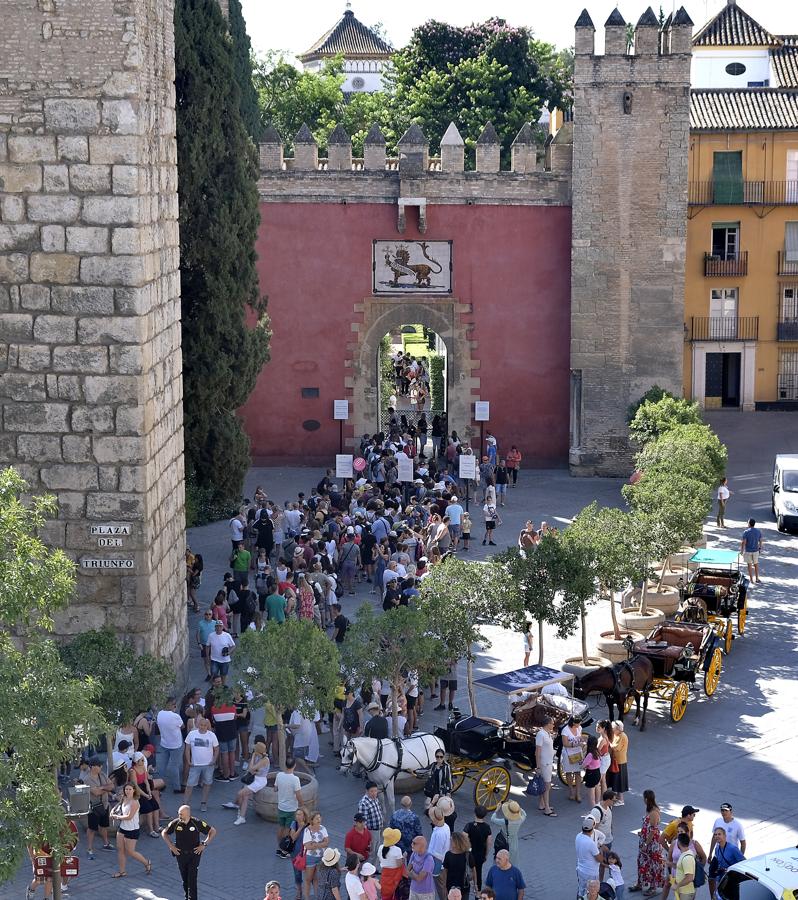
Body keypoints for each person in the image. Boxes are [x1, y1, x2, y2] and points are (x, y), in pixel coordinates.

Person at [161, 804, 216, 900]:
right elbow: (164, 833)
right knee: (185, 879)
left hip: (194, 855)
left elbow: (213, 831)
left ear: (188, 814)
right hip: (180, 854)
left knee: (192, 879)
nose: (179, 816)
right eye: (179, 814)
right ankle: (187, 897)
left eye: (181, 814)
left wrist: (204, 844)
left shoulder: (196, 823)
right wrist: (171, 846)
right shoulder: (176, 823)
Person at [221, 736, 270, 825]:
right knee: (245, 797)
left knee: (241, 793)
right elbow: (249, 769)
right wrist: (253, 758)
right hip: (253, 778)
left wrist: (254, 756)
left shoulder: (265, 759)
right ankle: (242, 817)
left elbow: (251, 768)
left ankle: (239, 812)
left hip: (260, 781)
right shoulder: (257, 756)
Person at [110, 782, 152, 878]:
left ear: (134, 790)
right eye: (126, 789)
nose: (128, 791)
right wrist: (113, 811)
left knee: (130, 851)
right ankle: (122, 872)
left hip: (132, 830)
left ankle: (146, 862)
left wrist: (116, 817)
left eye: (130, 789)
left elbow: (129, 817)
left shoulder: (135, 802)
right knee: (120, 849)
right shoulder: (124, 798)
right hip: (122, 828)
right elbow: (118, 805)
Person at [628, 789, 665, 895]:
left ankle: (653, 887)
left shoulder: (654, 812)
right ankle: (640, 883)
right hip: (645, 840)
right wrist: (642, 832)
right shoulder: (649, 809)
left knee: (653, 865)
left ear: (646, 799)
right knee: (642, 862)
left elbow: (653, 830)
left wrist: (646, 844)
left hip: (651, 844)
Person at [80, 758, 115, 858]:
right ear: (93, 767)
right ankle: (89, 849)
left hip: (104, 805)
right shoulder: (87, 779)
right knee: (92, 829)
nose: (101, 767)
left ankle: (106, 844)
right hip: (93, 807)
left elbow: (112, 786)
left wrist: (101, 788)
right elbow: (96, 793)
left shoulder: (103, 774)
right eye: (99, 765)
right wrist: (105, 788)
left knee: (104, 826)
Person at [183, 717, 219, 812]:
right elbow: (187, 748)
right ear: (198, 725)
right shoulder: (192, 734)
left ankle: (204, 803)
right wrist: (188, 760)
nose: (203, 727)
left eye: (205, 725)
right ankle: (185, 804)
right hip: (195, 765)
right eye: (201, 725)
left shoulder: (212, 735)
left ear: (207, 726)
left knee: (207, 784)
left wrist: (214, 760)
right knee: (190, 784)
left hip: (208, 765)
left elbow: (216, 749)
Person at [276, 758, 304, 855]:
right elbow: (298, 794)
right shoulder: (295, 779)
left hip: (280, 807)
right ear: (294, 766)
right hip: (291, 809)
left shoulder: (279, 775)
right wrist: (303, 805)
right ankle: (284, 850)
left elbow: (275, 788)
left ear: (285, 765)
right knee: (287, 829)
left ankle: (279, 847)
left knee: (280, 827)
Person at [708, 826, 744, 900]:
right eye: (715, 835)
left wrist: (731, 870)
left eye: (719, 834)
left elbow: (743, 862)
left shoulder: (733, 848)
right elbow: (720, 863)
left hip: (733, 880)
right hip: (722, 879)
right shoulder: (717, 848)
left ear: (724, 835)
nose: (717, 836)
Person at [575, 816, 606, 900]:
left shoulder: (578, 836)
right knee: (591, 893)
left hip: (580, 869)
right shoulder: (590, 843)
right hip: (591, 872)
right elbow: (599, 859)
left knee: (581, 890)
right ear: (592, 830)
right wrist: (601, 850)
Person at [303, 811, 330, 900]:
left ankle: (317, 897)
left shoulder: (323, 828)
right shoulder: (307, 830)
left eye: (320, 817)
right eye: (317, 818)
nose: (319, 820)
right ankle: (307, 898)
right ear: (312, 820)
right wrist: (321, 844)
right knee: (308, 879)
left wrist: (315, 844)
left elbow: (327, 842)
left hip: (321, 858)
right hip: (310, 858)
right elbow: (307, 846)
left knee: (317, 879)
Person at [533, 716, 557, 816]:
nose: (553, 725)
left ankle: (542, 804)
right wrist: (538, 766)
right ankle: (547, 808)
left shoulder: (547, 733)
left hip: (548, 762)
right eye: (552, 723)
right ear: (548, 724)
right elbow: (537, 752)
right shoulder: (541, 734)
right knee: (547, 786)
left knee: (544, 785)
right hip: (544, 764)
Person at [464, 805, 492, 891]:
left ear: (474, 813)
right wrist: (486, 854)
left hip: (470, 854)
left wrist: (467, 849)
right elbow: (489, 843)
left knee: (467, 870)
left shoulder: (469, 826)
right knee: (478, 872)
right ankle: (478, 891)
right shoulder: (487, 827)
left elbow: (463, 838)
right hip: (480, 854)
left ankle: (466, 888)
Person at [442, 831, 476, 895]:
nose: (450, 842)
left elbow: (473, 869)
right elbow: (445, 871)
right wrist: (444, 886)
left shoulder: (468, 854)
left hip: (464, 887)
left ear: (457, 842)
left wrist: (475, 884)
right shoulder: (448, 854)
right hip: (451, 886)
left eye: (452, 840)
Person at [429, 807, 452, 900]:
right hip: (442, 861)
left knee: (440, 886)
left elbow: (437, 854)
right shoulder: (446, 826)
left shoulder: (439, 834)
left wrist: (435, 871)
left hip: (438, 864)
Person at [561, 715, 585, 802]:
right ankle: (571, 791)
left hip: (577, 752)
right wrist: (576, 744)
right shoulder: (565, 730)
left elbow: (579, 737)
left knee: (578, 772)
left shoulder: (579, 728)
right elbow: (565, 744)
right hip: (568, 753)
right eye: (578, 723)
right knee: (568, 772)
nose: (580, 724)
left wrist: (582, 740)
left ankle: (578, 793)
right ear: (573, 723)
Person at [408, 835, 436, 900]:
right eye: (412, 842)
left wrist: (412, 872)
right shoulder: (414, 854)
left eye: (414, 843)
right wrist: (413, 874)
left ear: (422, 846)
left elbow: (419, 878)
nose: (412, 844)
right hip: (413, 890)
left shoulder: (428, 859)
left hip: (425, 893)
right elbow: (407, 872)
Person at [607, 721, 629, 805]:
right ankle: (617, 797)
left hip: (620, 761)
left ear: (618, 729)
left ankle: (621, 800)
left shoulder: (622, 736)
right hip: (617, 760)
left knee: (619, 781)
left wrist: (608, 742)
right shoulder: (617, 735)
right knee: (616, 780)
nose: (612, 730)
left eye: (613, 729)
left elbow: (616, 748)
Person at [671, 833, 696, 900]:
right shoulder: (684, 853)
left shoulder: (687, 858)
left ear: (679, 842)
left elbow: (689, 878)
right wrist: (669, 863)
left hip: (686, 894)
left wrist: (677, 885)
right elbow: (681, 867)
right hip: (682, 892)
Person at [740, 517, 762, 583]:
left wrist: (742, 551)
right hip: (756, 550)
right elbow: (760, 541)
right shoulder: (758, 531)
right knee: (756, 564)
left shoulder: (746, 532)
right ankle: (757, 578)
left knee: (749, 565)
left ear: (749, 524)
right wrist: (760, 548)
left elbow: (744, 542)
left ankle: (751, 580)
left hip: (748, 551)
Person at [582, 737, 603, 807]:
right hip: (597, 772)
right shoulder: (597, 751)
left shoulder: (590, 755)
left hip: (591, 774)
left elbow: (583, 765)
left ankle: (594, 810)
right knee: (597, 787)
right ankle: (598, 804)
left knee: (591, 795)